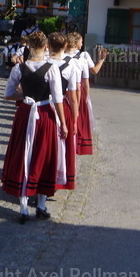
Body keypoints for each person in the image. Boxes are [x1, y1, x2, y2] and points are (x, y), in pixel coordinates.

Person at [1, 31, 67, 224]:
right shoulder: (52, 69)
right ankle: (41, 206)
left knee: (23, 155)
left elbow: (8, 94)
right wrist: (63, 123)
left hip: (25, 114)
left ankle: (23, 208)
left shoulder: (19, 68)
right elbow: (58, 99)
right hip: (45, 115)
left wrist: (25, 96)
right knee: (44, 157)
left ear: (28, 46)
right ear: (46, 47)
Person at [47, 32, 81, 191]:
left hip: (45, 106)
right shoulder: (71, 66)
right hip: (63, 107)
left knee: (46, 144)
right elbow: (73, 97)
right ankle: (59, 178)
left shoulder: (43, 62)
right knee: (63, 144)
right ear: (65, 46)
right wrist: (74, 120)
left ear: (48, 46)